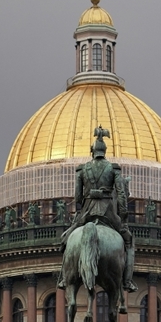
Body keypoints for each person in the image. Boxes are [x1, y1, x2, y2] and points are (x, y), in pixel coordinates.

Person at [59, 125, 137, 292]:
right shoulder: (113, 168)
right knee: (128, 241)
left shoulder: (83, 169)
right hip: (108, 211)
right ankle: (127, 281)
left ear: (92, 151)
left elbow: (77, 197)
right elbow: (121, 194)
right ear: (105, 150)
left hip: (86, 212)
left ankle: (64, 278)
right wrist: (123, 213)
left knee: (66, 241)